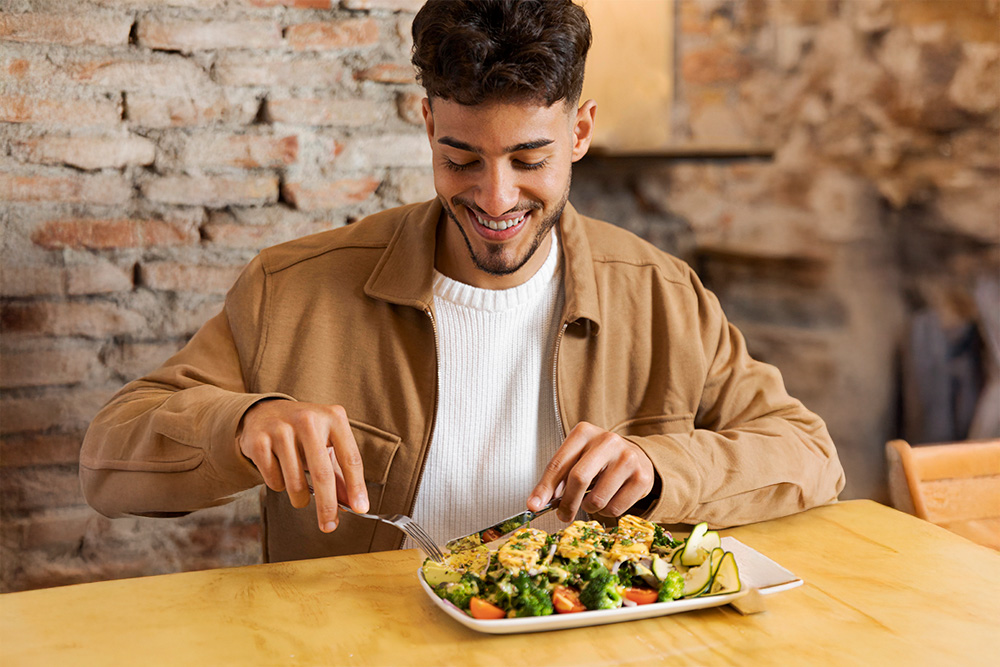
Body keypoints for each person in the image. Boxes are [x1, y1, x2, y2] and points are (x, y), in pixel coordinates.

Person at [80, 0, 845, 563]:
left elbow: (809, 454)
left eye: (530, 159)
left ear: (579, 134)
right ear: (426, 126)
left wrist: (658, 469)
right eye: (461, 158)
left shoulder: (660, 291)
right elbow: (110, 462)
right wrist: (245, 425)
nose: (495, 196)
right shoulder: (294, 287)